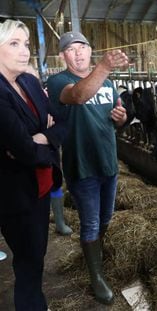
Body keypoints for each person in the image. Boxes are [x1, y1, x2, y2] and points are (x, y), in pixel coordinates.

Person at [47, 31, 129, 305]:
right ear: (63, 56)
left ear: (90, 50)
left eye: (83, 46)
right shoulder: (59, 81)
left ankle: (96, 258)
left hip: (108, 161)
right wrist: (104, 67)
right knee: (91, 222)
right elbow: (79, 96)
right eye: (71, 49)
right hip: (82, 166)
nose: (79, 52)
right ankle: (96, 276)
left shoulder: (109, 84)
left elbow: (114, 118)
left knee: (105, 218)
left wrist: (121, 118)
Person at [0, 19, 66, 310]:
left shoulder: (29, 82)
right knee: (27, 263)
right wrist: (35, 142)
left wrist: (41, 138)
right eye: (13, 43)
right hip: (14, 194)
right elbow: (25, 151)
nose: (24, 51)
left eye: (25, 43)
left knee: (36, 255)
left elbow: (60, 125)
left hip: (41, 186)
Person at [27, 64, 73, 236]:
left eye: (35, 80)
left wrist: (47, 136)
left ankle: (59, 222)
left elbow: (60, 121)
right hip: (26, 155)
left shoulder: (44, 97)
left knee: (55, 180)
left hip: (49, 150)